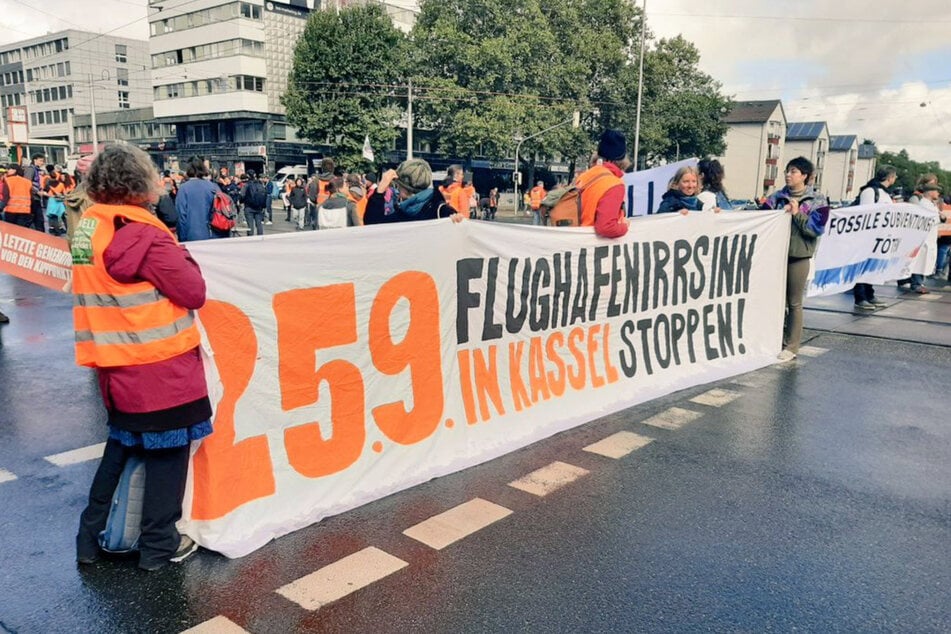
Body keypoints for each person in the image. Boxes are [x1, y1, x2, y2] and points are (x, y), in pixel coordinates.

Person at [71, 144, 210, 571]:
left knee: (118, 452)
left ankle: (88, 540)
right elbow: (193, 292)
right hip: (161, 367)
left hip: (115, 366)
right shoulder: (144, 233)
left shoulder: (90, 227)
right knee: (168, 459)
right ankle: (158, 547)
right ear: (140, 183)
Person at [761, 156, 830, 361]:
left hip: (798, 257)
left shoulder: (818, 201)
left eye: (793, 172)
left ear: (805, 176)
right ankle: (774, 338)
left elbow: (815, 230)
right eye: (787, 171)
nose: (788, 175)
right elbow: (761, 220)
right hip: (775, 256)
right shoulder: (776, 197)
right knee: (774, 301)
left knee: (794, 302)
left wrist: (797, 213)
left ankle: (791, 345)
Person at [567, 129, 630, 238]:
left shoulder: (585, 176)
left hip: (575, 237)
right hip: (593, 246)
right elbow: (606, 227)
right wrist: (625, 227)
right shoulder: (614, 184)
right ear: (622, 157)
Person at [364, 158, 463, 224]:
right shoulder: (403, 210)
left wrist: (380, 190)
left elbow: (372, 226)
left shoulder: (442, 211)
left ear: (405, 188)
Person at [852, 165, 896, 309]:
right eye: (894, 177)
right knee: (862, 267)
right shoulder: (871, 191)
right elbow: (866, 214)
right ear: (890, 178)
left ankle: (869, 294)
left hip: (879, 237)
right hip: (867, 237)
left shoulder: (884, 193)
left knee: (870, 267)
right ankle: (860, 297)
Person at [898, 175, 941, 293]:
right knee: (919, 260)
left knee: (925, 260)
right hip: (923, 238)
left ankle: (918, 281)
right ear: (930, 191)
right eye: (936, 190)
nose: (938, 193)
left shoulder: (932, 204)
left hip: (930, 237)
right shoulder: (922, 202)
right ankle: (915, 283)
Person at [175, 156, 220, 242]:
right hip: (213, 233)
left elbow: (181, 215)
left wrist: (182, 237)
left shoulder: (184, 188)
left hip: (192, 234)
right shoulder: (213, 187)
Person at [22, 152, 46, 232]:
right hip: (33, 198)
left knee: (38, 220)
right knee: (37, 219)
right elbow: (26, 182)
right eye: (40, 161)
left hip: (35, 198)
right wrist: (37, 192)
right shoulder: (31, 169)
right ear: (35, 160)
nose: (42, 162)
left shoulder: (36, 170)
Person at [240, 170, 268, 236]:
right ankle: (260, 237)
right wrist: (263, 206)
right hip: (259, 207)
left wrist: (241, 201)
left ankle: (250, 239)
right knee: (259, 224)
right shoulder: (260, 184)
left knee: (250, 225)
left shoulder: (246, 185)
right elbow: (264, 195)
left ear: (248, 176)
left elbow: (242, 195)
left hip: (249, 207)